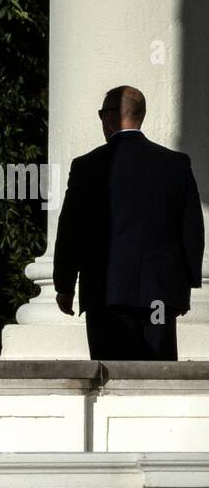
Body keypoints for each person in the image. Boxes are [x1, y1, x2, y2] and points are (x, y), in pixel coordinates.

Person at [54, 85, 204, 360]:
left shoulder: (87, 167)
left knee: (111, 377)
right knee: (159, 374)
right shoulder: (176, 164)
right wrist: (186, 288)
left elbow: (71, 232)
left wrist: (64, 286)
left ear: (111, 117)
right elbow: (192, 229)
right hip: (159, 300)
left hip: (106, 298)